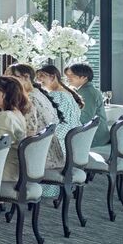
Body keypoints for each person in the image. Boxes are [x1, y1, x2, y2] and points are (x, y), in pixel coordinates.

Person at [36, 64, 83, 197]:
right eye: (37, 77)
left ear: (53, 77)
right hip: (71, 144)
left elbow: (53, 124)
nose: (38, 80)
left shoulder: (56, 96)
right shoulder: (67, 93)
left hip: (61, 145)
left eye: (42, 76)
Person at [7, 63, 65, 168]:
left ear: (26, 77)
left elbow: (26, 134)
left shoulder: (29, 100)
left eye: (10, 77)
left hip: (41, 158)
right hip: (50, 152)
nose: (6, 81)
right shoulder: (37, 93)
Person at [65, 63, 110, 147]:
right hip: (97, 135)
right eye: (68, 75)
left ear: (84, 77)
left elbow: (86, 118)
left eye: (72, 75)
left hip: (94, 138)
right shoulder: (85, 90)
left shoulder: (87, 92)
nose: (68, 78)